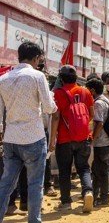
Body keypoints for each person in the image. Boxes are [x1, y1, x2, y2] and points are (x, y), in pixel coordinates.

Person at [0, 42, 57, 223]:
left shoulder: (3, 79)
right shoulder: (37, 76)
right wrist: (52, 101)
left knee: (6, 184)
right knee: (35, 184)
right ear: (36, 58)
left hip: (10, 138)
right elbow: (49, 108)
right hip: (33, 137)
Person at [49, 65, 94, 213]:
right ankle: (88, 192)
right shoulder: (85, 91)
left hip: (65, 139)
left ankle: (66, 202)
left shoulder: (58, 93)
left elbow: (56, 117)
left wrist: (52, 141)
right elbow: (91, 114)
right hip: (83, 137)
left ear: (61, 79)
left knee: (64, 171)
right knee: (84, 168)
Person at [86, 78, 109, 207]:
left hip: (101, 142)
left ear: (92, 90)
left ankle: (104, 198)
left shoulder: (98, 103)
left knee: (101, 170)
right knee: (98, 170)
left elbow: (99, 123)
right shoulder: (106, 100)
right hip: (107, 141)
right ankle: (96, 195)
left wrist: (92, 138)